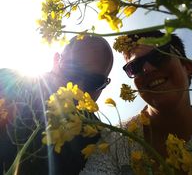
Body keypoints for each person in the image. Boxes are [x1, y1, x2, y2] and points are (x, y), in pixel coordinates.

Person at [80, 31, 192, 175]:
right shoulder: (115, 141)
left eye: (159, 56)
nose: (147, 69)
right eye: (135, 67)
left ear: (188, 68)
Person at [0, 34, 113, 175]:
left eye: (94, 81)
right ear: (55, 61)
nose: (78, 87)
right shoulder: (6, 83)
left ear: (103, 86)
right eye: (72, 70)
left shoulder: (98, 138)